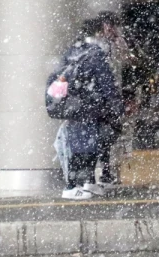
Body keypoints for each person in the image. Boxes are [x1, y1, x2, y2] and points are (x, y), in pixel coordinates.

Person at [47, 18, 122, 200]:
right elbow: (107, 84)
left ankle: (85, 184)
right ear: (98, 33)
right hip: (90, 107)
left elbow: (58, 75)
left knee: (78, 147)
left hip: (73, 108)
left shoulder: (72, 51)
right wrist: (115, 106)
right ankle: (73, 187)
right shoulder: (95, 53)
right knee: (89, 147)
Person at [93, 10, 130, 189]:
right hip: (101, 98)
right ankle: (102, 172)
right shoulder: (95, 45)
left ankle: (111, 172)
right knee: (102, 137)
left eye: (113, 25)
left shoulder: (119, 43)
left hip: (115, 96)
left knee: (114, 136)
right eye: (107, 25)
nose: (111, 28)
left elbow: (128, 64)